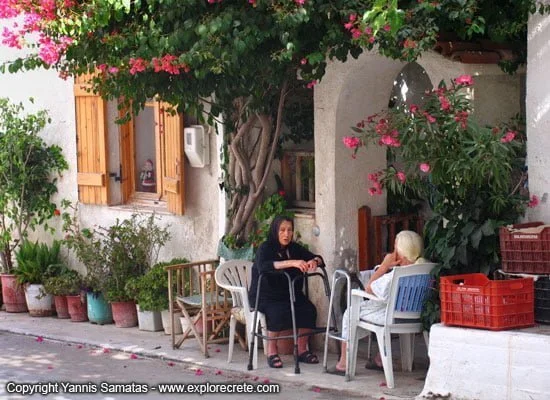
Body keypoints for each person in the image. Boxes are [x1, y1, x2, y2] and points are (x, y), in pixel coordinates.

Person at [333, 230, 428, 374]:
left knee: (350, 313)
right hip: (414, 315)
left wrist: (384, 267)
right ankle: (379, 358)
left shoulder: (395, 275)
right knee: (383, 308)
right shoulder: (425, 268)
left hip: (391, 317)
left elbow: (368, 288)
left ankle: (344, 363)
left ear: (399, 253)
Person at [248, 215, 324, 369]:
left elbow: (318, 258)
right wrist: (293, 262)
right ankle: (271, 352)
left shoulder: (294, 248)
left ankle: (302, 350)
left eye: (289, 230)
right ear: (275, 231)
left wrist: (314, 261)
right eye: (282, 230)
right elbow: (264, 266)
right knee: (278, 312)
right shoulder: (266, 248)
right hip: (267, 295)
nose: (286, 234)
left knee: (308, 310)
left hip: (289, 293)